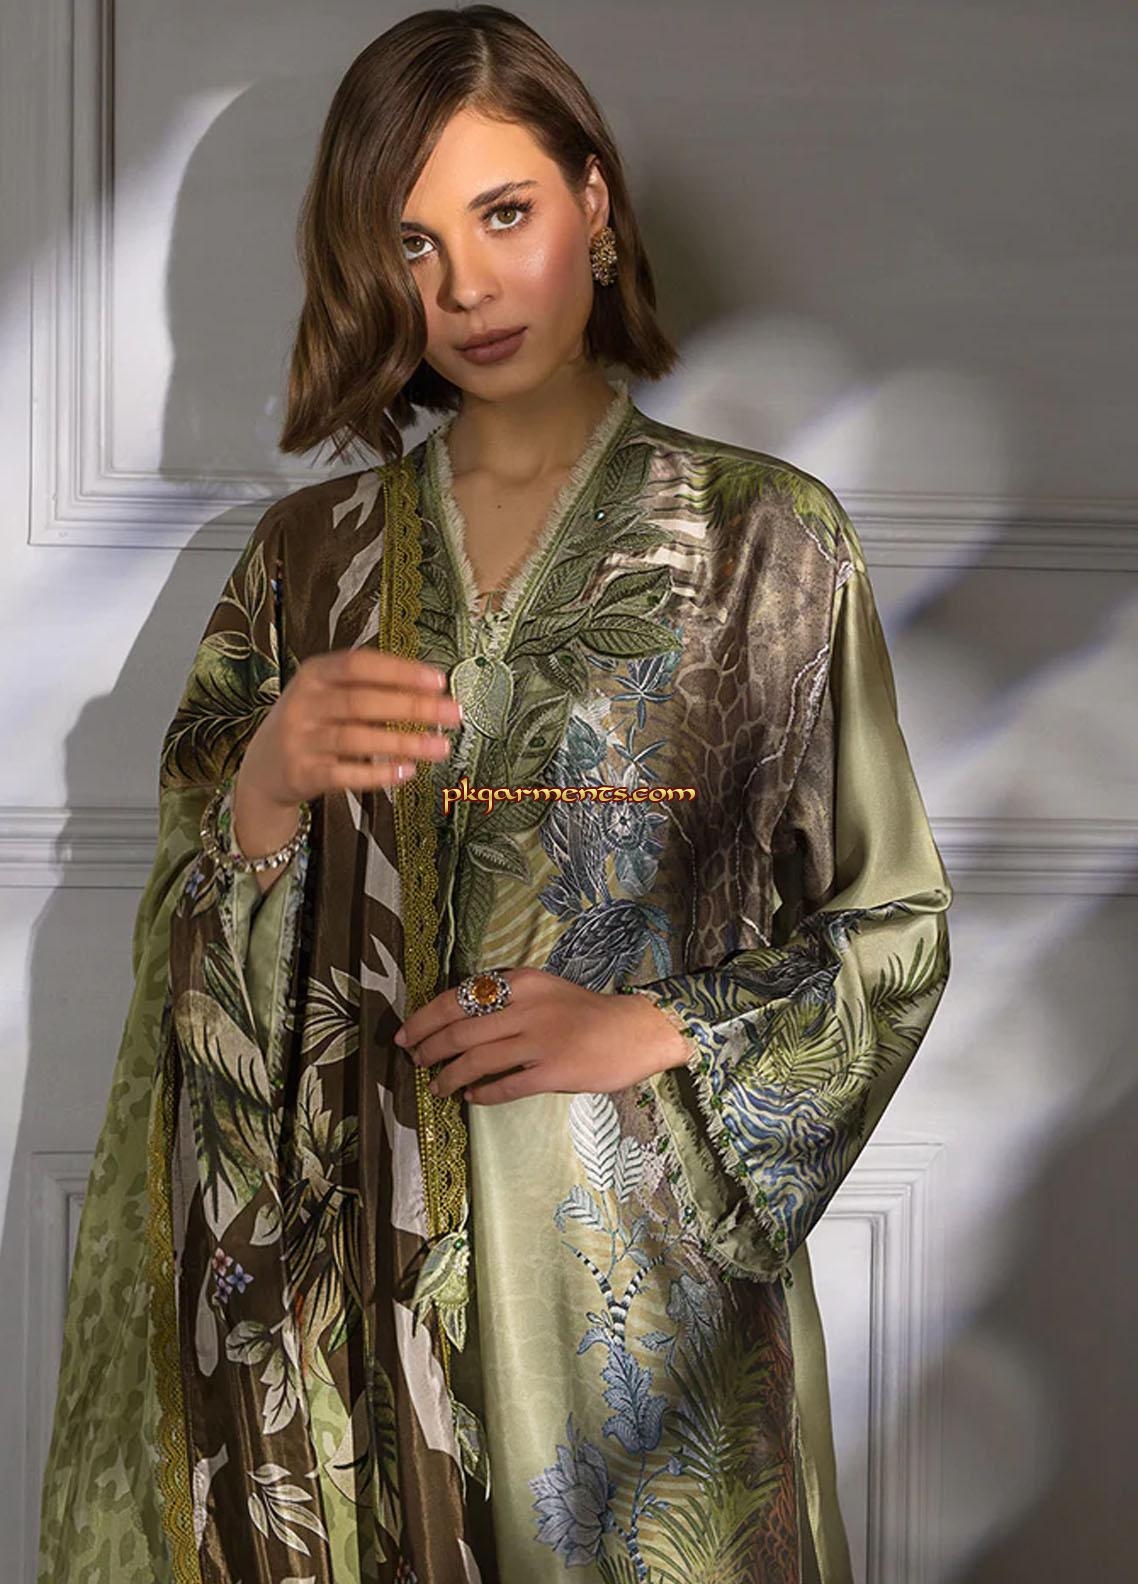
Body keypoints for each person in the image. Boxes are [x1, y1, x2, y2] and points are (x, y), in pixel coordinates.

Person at [36, 7, 952, 1582]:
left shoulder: (766, 544)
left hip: (642, 1300)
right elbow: (195, 954)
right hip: (351, 1319)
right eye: (413, 241)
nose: (463, 286)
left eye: (504, 213)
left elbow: (895, 926)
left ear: (593, 204)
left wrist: (654, 1030)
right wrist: (263, 789)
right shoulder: (308, 561)